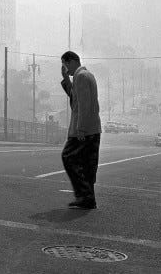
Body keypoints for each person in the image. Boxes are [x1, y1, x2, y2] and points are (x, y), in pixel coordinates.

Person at [60, 51, 101, 209]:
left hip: (83, 129)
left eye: (64, 65)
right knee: (87, 163)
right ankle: (88, 198)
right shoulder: (85, 75)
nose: (65, 69)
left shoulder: (81, 76)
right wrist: (65, 79)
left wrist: (81, 129)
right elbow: (74, 97)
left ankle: (83, 194)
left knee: (68, 157)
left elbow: (83, 105)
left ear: (71, 62)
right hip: (92, 128)